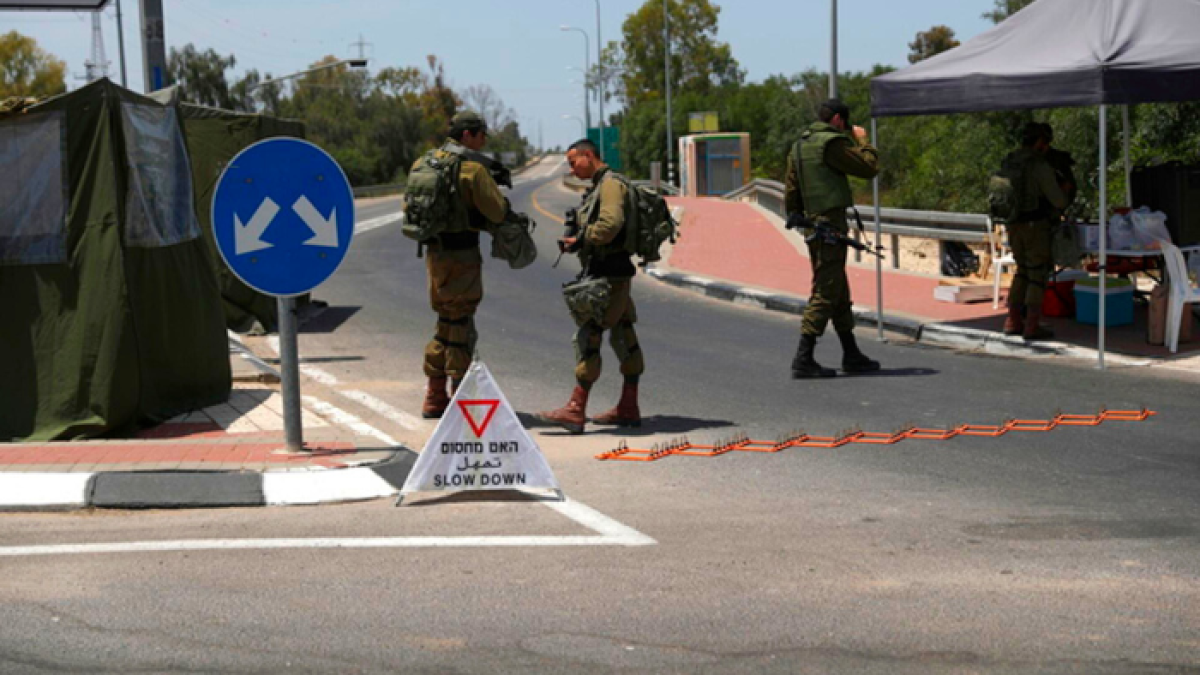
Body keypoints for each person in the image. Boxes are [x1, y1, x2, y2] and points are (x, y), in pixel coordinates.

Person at [535, 139, 644, 434]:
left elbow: (610, 224)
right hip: (615, 273)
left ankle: (575, 409)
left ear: (589, 155)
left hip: (608, 276)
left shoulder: (609, 185)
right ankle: (628, 406)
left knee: (589, 336)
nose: (571, 168)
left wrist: (582, 240)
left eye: (573, 161)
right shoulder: (604, 185)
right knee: (625, 335)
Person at [414, 110, 509, 418]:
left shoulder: (423, 163)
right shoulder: (472, 170)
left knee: (444, 321)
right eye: (481, 135)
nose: (482, 142)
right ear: (467, 135)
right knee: (461, 323)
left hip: (434, 257)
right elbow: (496, 212)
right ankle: (458, 397)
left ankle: (434, 394)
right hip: (463, 257)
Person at [784, 99, 881, 379]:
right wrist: (862, 141)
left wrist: (796, 214)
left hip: (813, 225)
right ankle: (803, 357)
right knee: (826, 290)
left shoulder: (800, 144)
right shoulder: (831, 144)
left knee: (837, 287)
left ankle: (851, 353)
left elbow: (791, 188)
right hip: (830, 225)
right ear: (838, 120)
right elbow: (868, 168)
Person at [1001, 122, 1069, 340]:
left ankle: (1012, 320)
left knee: (1021, 270)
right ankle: (1031, 325)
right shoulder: (1038, 166)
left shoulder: (1010, 161)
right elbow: (1057, 200)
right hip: (1035, 225)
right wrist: (1065, 191)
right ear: (1039, 142)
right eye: (1046, 142)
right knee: (1037, 273)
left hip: (1013, 224)